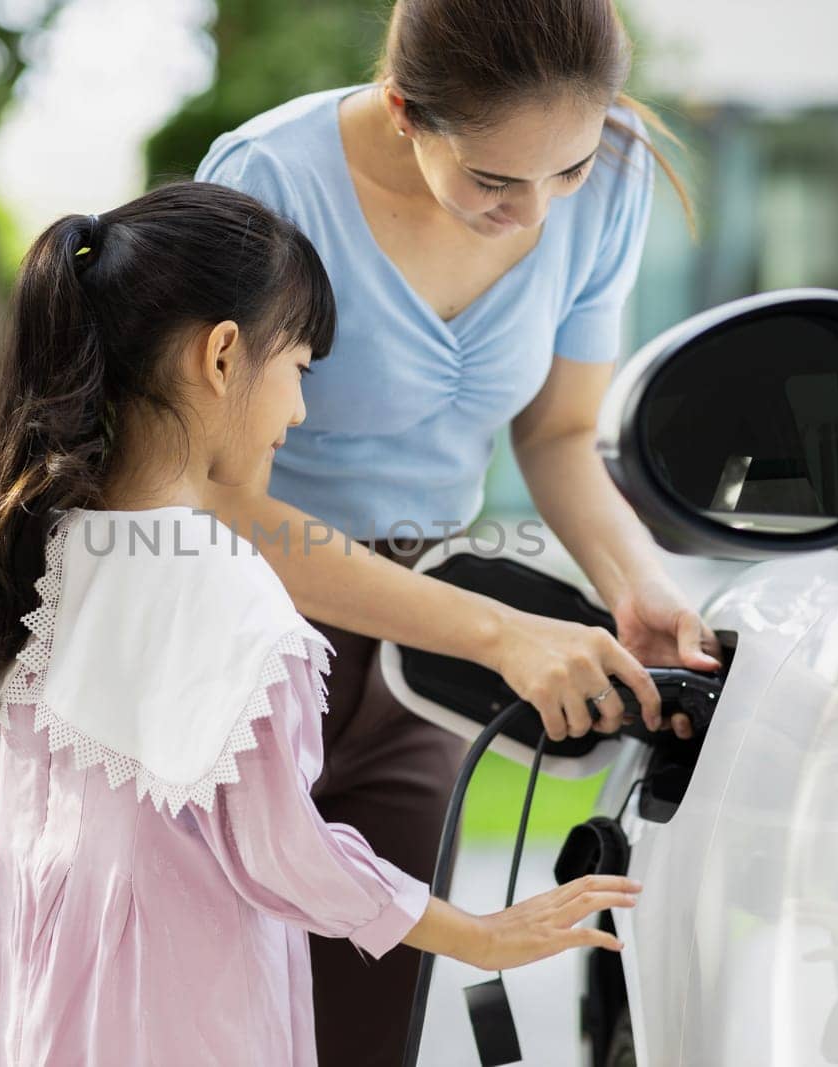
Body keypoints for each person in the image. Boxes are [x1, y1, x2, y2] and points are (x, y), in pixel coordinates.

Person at [0, 181, 642, 1066]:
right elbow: (281, 851)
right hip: (178, 1014)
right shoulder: (231, 591)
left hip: (22, 1005)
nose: (299, 413)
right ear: (223, 356)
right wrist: (480, 935)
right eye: (298, 367)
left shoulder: (26, 557)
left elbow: (4, 828)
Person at [190, 2, 724, 1061]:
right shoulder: (268, 183)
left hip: (420, 651)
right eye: (494, 181)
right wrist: (493, 633)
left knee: (367, 1020)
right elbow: (219, 495)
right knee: (212, 1011)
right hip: (238, 628)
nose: (533, 214)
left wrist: (639, 582)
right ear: (403, 109)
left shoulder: (610, 175)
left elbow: (562, 431)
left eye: (562, 172)